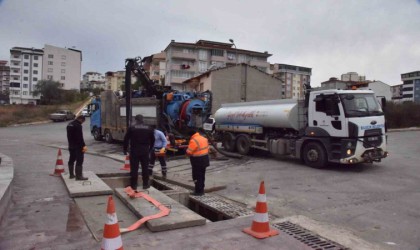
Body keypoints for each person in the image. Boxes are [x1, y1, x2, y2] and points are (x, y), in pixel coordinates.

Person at [123, 115, 155, 190]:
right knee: (145, 168)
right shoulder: (149, 128)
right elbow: (153, 140)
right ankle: (145, 184)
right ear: (142, 119)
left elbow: (126, 139)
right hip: (145, 151)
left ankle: (134, 185)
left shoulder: (132, 128)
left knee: (134, 168)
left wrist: (125, 149)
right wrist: (150, 149)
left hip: (134, 151)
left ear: (136, 120)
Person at [186, 128, 210, 196]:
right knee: (202, 176)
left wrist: (186, 150)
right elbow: (208, 148)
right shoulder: (203, 138)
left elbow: (189, 152)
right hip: (205, 159)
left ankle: (198, 191)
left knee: (196, 177)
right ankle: (201, 190)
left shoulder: (193, 140)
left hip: (197, 161)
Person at [67, 115, 88, 180]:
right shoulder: (78, 125)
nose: (82, 123)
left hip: (71, 146)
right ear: (81, 119)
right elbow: (80, 137)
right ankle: (79, 176)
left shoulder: (69, 124)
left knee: (71, 160)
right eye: (83, 121)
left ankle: (71, 175)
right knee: (79, 161)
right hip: (78, 147)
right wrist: (83, 146)